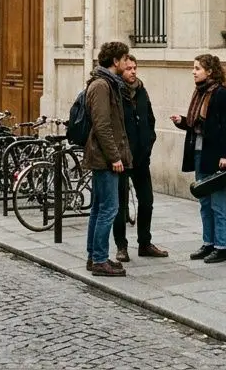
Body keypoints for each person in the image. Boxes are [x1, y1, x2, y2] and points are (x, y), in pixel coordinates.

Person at [171, 54, 226, 264]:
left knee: (218, 203)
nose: (193, 72)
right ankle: (208, 243)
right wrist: (182, 121)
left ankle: (221, 247)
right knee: (204, 202)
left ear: (209, 71)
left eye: (197, 68)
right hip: (199, 153)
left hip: (216, 156)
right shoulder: (199, 92)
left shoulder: (221, 94)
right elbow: (197, 125)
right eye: (194, 68)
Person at [82, 41, 133, 277]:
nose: (127, 63)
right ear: (115, 61)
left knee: (99, 208)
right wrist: (115, 157)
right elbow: (103, 126)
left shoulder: (107, 83)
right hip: (104, 158)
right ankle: (99, 259)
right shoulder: (102, 85)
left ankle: (95, 256)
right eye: (125, 59)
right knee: (108, 209)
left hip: (102, 156)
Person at [112, 55, 168, 262]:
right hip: (121, 158)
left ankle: (145, 243)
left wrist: (149, 142)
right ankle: (121, 246)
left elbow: (150, 119)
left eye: (135, 68)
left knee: (147, 201)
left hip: (141, 158)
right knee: (120, 205)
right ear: (120, 70)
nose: (133, 71)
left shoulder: (141, 91)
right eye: (128, 68)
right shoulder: (115, 92)